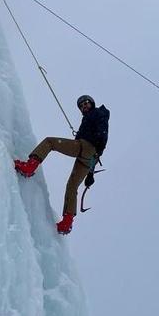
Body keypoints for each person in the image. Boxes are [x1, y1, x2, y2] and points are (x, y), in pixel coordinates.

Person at [14, 95, 110, 235]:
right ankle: (67, 222)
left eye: (86, 103)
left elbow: (102, 133)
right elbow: (98, 139)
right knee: (72, 186)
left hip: (86, 148)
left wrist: (97, 145)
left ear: (92, 103)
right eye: (82, 105)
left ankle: (30, 167)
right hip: (89, 157)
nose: (84, 106)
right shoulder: (90, 118)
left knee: (50, 142)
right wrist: (90, 173)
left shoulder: (98, 113)